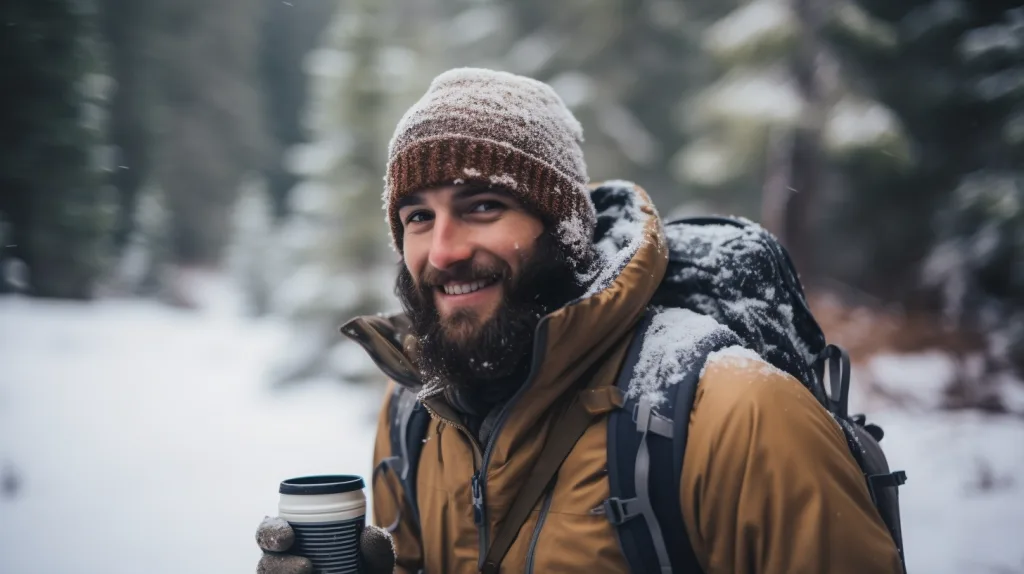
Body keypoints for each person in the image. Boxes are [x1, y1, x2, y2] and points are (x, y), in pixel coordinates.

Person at [256, 68, 904, 574]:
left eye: (482, 206)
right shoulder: (415, 411)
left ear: (563, 233)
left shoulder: (736, 413)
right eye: (417, 217)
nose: (444, 249)